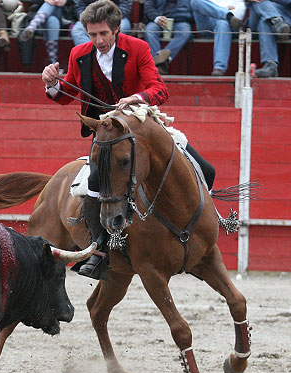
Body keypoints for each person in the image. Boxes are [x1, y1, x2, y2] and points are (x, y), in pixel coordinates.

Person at [42, 0, 214, 279]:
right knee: (94, 183)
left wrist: (137, 97)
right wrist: (52, 84)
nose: (98, 40)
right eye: (92, 34)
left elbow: (159, 89)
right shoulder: (79, 54)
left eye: (103, 34)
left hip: (143, 129)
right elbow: (67, 94)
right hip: (107, 135)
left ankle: (202, 228)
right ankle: (99, 249)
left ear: (116, 29)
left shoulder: (138, 48)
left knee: (207, 170)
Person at [189, 0, 246, 76]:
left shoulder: (238, 1)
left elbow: (237, 19)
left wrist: (214, 10)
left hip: (225, 27)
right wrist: (226, 11)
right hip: (207, 25)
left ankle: (219, 68)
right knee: (195, 1)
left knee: (222, 23)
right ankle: (227, 15)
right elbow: (202, 7)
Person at [143, 0, 194, 75]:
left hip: (180, 20)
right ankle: (160, 62)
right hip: (158, 19)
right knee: (149, 30)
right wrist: (156, 17)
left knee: (185, 32)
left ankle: (159, 61)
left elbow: (190, 11)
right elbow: (148, 6)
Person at [17, 0, 71, 65]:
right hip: (43, 20)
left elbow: (78, 3)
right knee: (52, 20)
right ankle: (53, 63)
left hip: (62, 17)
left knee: (51, 5)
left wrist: (66, 1)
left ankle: (32, 26)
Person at [247, 0, 291, 77]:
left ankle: (271, 65)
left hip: (284, 19)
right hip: (255, 19)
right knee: (260, 2)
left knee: (264, 23)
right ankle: (276, 21)